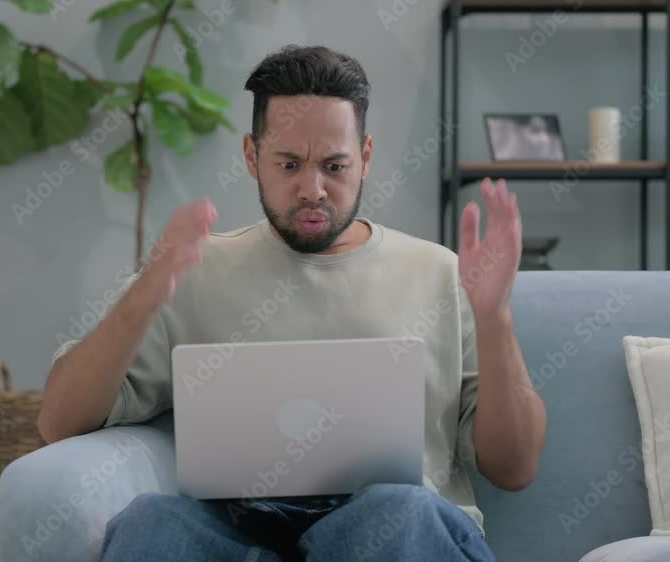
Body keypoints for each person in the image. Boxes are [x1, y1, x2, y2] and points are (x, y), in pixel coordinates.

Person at [37, 44, 547, 562]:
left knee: (398, 511)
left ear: (366, 157)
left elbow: (516, 468)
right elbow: (58, 423)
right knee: (152, 522)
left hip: (394, 530)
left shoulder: (439, 272)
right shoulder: (193, 269)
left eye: (335, 165)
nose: (312, 190)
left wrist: (495, 318)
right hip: (241, 530)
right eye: (288, 164)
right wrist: (141, 298)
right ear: (251, 156)